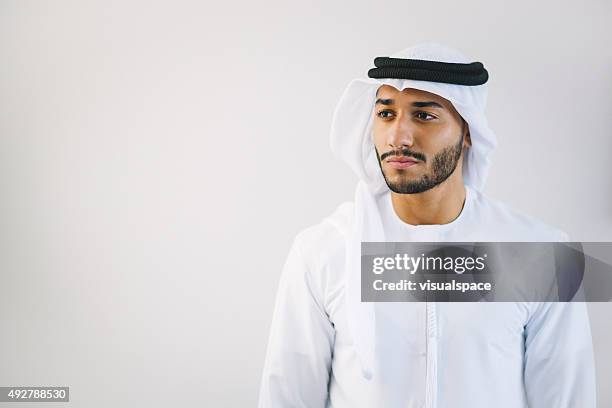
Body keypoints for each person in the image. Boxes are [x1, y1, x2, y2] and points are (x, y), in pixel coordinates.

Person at [257, 43, 596, 408]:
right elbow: (287, 397)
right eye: (386, 114)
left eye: (424, 116)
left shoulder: (540, 253)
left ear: (468, 132)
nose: (398, 137)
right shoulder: (322, 251)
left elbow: (566, 398)